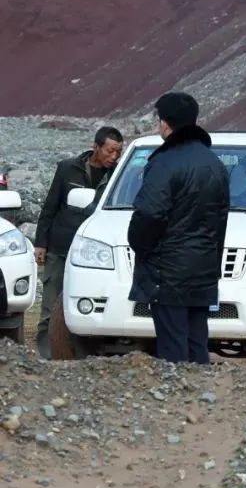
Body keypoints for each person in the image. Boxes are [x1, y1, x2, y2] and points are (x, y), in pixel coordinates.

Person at [128, 92, 229, 364]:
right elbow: (221, 220)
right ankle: (202, 399)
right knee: (197, 342)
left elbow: (149, 213)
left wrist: (140, 245)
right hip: (203, 269)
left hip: (168, 271)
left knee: (172, 347)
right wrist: (212, 261)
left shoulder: (164, 162)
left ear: (165, 123)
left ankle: (176, 402)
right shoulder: (215, 164)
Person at [33, 126, 124, 357]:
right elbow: (50, 206)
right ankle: (46, 356)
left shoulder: (119, 175)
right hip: (61, 248)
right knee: (50, 307)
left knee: (89, 305)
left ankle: (84, 357)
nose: (114, 157)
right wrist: (41, 243)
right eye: (110, 151)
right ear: (96, 147)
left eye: (118, 153)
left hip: (97, 255)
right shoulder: (67, 169)